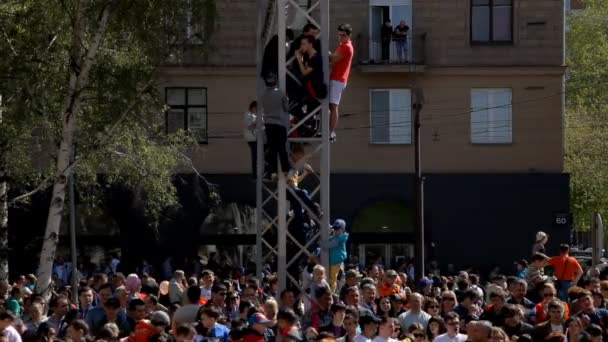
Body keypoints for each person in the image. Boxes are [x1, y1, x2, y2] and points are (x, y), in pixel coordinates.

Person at [261, 72, 291, 181]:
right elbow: (287, 108)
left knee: (272, 149)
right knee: (282, 148)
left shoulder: (263, 95)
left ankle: (272, 172)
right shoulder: (280, 93)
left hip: (268, 125)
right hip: (280, 124)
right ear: (275, 81)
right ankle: (285, 170)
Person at [328, 23, 354, 142]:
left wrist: (325, 52)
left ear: (349, 35)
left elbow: (333, 59)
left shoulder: (346, 47)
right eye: (339, 35)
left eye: (343, 35)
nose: (340, 37)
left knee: (333, 106)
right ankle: (328, 129)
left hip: (338, 79)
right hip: (336, 78)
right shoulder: (342, 45)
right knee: (330, 105)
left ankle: (331, 131)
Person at [323, 219, 349, 293]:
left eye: (338, 229)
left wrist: (322, 244)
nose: (336, 230)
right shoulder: (337, 236)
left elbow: (330, 244)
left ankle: (331, 293)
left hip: (336, 261)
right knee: (331, 278)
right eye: (335, 228)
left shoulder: (341, 238)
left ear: (343, 229)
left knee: (332, 279)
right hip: (334, 261)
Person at [243, 101, 260, 180]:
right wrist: (256, 122)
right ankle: (255, 174)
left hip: (257, 138)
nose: (256, 110)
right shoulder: (248, 114)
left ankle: (259, 172)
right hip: (252, 138)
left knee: (258, 156)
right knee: (255, 156)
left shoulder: (255, 115)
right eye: (256, 108)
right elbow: (249, 126)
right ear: (252, 107)